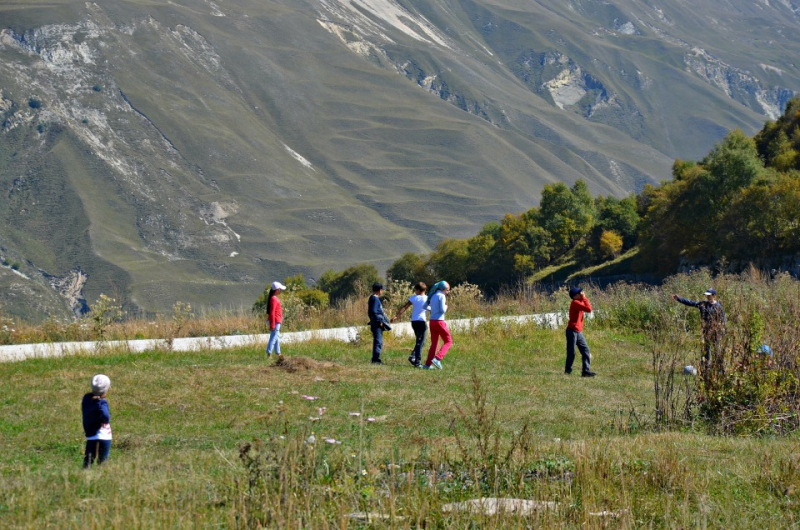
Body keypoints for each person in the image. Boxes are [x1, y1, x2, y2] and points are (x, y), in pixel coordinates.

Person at [671, 288, 725, 368]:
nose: (707, 297)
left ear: (714, 296)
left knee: (716, 349)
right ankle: (706, 366)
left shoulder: (718, 307)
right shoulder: (703, 304)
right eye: (706, 295)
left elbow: (723, 320)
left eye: (709, 295)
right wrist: (679, 299)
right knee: (707, 349)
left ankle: (719, 367)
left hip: (715, 331)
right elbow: (691, 303)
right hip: (706, 330)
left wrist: (722, 331)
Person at [391, 282, 429, 367]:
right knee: (420, 341)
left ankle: (413, 356)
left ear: (418, 290)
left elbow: (405, 307)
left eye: (415, 290)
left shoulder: (414, 298)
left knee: (420, 341)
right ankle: (417, 362)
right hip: (422, 321)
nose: (415, 292)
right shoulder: (427, 298)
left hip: (414, 321)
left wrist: (397, 316)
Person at [82, 374, 112, 468]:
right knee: (102, 462)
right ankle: (101, 478)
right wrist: (105, 420)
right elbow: (106, 415)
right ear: (106, 389)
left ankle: (85, 476)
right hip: (104, 436)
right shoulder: (102, 402)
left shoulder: (86, 399)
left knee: (88, 461)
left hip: (91, 436)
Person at [565, 287, 596, 377]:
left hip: (578, 331)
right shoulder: (575, 303)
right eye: (580, 293)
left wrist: (582, 298)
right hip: (572, 331)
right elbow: (589, 309)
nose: (582, 293)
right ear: (575, 296)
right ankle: (568, 371)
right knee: (571, 352)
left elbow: (586, 308)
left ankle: (585, 371)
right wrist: (585, 298)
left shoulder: (579, 302)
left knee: (586, 350)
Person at [423, 281, 452, 370]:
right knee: (448, 341)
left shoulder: (433, 295)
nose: (448, 292)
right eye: (447, 290)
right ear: (443, 289)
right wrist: (446, 306)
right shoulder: (442, 296)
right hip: (440, 321)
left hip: (432, 321)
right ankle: (438, 358)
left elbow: (425, 307)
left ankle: (427, 364)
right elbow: (442, 310)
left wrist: (433, 309)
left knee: (434, 343)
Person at [367, 282, 391, 364]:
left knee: (378, 341)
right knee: (378, 342)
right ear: (380, 290)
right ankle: (376, 360)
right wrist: (380, 321)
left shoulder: (372, 298)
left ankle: (375, 359)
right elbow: (374, 311)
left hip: (375, 323)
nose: (382, 291)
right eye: (382, 289)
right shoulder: (375, 299)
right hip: (377, 324)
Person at [266, 281, 287, 356]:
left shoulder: (273, 298)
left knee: (276, 337)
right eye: (280, 289)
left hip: (276, 321)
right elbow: (272, 312)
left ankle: (278, 353)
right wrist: (272, 324)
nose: (281, 291)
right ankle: (269, 352)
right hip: (275, 321)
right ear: (277, 290)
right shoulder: (274, 299)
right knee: (274, 337)